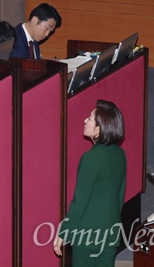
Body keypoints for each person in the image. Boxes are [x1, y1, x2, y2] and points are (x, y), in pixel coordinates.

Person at [54, 99, 127, 266]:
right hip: (110, 233)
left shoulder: (90, 159)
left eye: (90, 118)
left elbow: (79, 202)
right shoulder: (120, 154)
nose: (85, 121)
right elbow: (119, 197)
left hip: (87, 237)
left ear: (98, 130)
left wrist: (64, 232)